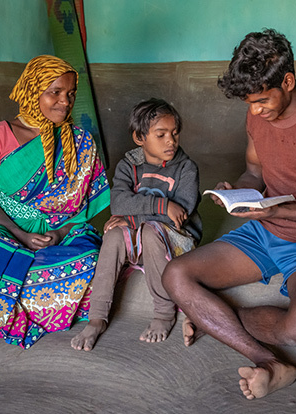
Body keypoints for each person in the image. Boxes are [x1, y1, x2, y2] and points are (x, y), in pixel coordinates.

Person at [162, 29, 296, 400]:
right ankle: (268, 361)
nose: (255, 111)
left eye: (261, 100)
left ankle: (214, 321)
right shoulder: (256, 117)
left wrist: (286, 211)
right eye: (249, 103)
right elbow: (253, 172)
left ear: (287, 81)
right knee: (177, 274)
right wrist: (237, 192)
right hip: (263, 228)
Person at [0, 55, 111, 349]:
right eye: (55, 92)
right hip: (10, 229)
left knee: (92, 253)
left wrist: (60, 234)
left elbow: (81, 211)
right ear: (32, 90)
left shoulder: (79, 141)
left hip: (61, 231)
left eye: (71, 93)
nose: (65, 101)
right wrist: (21, 234)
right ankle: (46, 299)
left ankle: (5, 302)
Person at [71, 98, 202, 351]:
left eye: (174, 133)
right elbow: (119, 202)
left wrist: (136, 217)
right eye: (161, 134)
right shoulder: (128, 165)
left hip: (176, 241)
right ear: (139, 138)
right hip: (141, 235)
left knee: (150, 231)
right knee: (112, 233)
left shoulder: (186, 168)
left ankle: (164, 313)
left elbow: (180, 214)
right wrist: (161, 207)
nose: (171, 141)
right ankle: (97, 317)